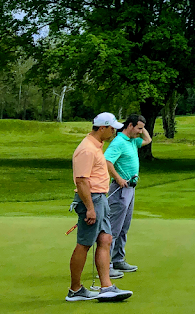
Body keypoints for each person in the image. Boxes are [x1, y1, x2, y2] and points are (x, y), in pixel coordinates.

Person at [67, 113, 134, 302]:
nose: (114, 131)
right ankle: (75, 290)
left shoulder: (96, 146)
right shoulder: (87, 149)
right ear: (102, 128)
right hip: (91, 199)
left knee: (105, 239)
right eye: (112, 128)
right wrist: (90, 208)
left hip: (100, 199)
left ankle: (107, 287)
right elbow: (81, 181)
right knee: (85, 243)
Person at [104, 114, 151, 277]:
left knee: (124, 227)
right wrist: (118, 178)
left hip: (131, 189)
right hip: (120, 189)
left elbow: (148, 140)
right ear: (129, 126)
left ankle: (118, 260)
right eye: (138, 128)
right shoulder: (118, 142)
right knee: (113, 228)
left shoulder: (132, 141)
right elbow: (107, 161)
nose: (141, 132)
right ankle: (106, 265)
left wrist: (142, 127)